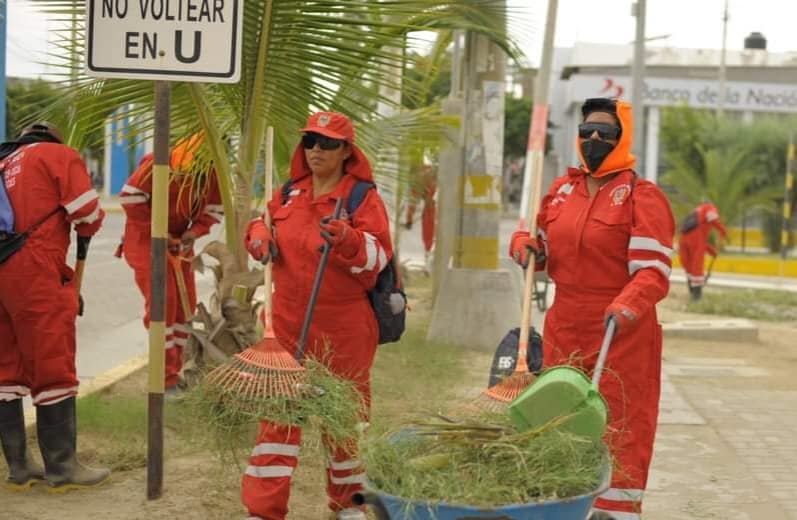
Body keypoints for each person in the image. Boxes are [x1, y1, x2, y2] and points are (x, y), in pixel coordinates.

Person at [509, 98, 675, 520]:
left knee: (620, 424)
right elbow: (542, 249)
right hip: (565, 321)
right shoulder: (561, 191)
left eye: (607, 132)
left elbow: (653, 272)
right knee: (560, 418)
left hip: (620, 328)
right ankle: (565, 507)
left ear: (623, 138)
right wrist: (524, 247)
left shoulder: (641, 195)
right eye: (588, 131)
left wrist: (627, 304)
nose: (595, 138)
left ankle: (616, 512)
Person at [242, 111, 393, 520]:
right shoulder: (289, 192)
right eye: (310, 141)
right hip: (286, 326)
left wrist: (349, 239)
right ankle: (264, 511)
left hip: (343, 329)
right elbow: (262, 221)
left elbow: (378, 259)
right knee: (277, 423)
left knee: (343, 425)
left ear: (347, 151)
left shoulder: (362, 197)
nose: (316, 151)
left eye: (327, 143)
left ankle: (349, 508)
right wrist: (257, 236)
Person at [0, 122, 109, 491]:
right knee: (52, 361)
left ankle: (18, 468)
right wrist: (91, 223)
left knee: (6, 368)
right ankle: (63, 469)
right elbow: (87, 213)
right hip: (34, 266)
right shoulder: (58, 155)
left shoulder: (4, 159)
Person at [119, 134, 223, 393]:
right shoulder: (160, 162)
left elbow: (214, 208)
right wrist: (157, 231)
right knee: (161, 309)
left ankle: (176, 374)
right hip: (146, 240)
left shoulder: (210, 171)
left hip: (178, 241)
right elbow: (130, 197)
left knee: (182, 313)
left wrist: (195, 231)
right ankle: (163, 382)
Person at [678, 201, 727, 300]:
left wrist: (712, 251)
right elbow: (713, 219)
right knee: (697, 267)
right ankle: (696, 297)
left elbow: (701, 242)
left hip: (683, 239)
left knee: (689, 268)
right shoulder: (709, 207)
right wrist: (722, 230)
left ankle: (692, 292)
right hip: (695, 239)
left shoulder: (696, 210)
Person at [404, 164, 437, 262]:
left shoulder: (420, 178)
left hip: (433, 206)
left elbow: (413, 203)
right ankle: (428, 254)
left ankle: (428, 254)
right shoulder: (425, 174)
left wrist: (409, 220)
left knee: (429, 224)